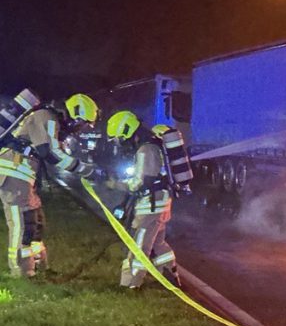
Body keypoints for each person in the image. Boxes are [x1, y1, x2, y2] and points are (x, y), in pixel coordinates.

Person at [0, 92, 98, 277]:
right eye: (81, 124)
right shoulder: (47, 117)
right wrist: (88, 170)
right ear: (74, 115)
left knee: (35, 221)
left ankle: (38, 267)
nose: (79, 129)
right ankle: (21, 272)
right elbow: (51, 154)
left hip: (22, 174)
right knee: (21, 222)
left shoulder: (49, 119)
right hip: (13, 173)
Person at [106, 112, 179, 288]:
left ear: (126, 132)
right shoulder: (154, 145)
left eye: (119, 139)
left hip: (150, 206)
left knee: (139, 247)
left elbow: (139, 182)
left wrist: (115, 184)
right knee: (158, 243)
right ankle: (170, 277)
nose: (120, 143)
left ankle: (131, 285)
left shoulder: (145, 149)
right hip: (161, 203)